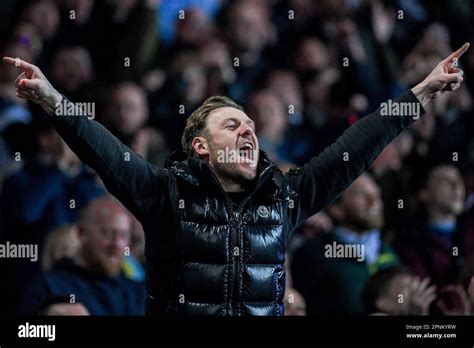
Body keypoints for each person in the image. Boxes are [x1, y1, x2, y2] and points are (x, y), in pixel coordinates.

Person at [3, 42, 469, 316]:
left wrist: (421, 93)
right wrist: (52, 100)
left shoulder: (285, 197)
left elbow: (357, 148)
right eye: (232, 125)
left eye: (250, 125)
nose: (248, 130)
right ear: (200, 147)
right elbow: (101, 149)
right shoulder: (164, 193)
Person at [290, 174, 400, 316]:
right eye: (362, 195)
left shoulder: (390, 253)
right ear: (337, 209)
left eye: (377, 195)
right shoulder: (314, 253)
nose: (374, 201)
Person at [19, 196, 146, 315]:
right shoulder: (50, 287)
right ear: (81, 232)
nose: (116, 244)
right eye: (108, 233)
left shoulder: (138, 293)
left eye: (123, 235)